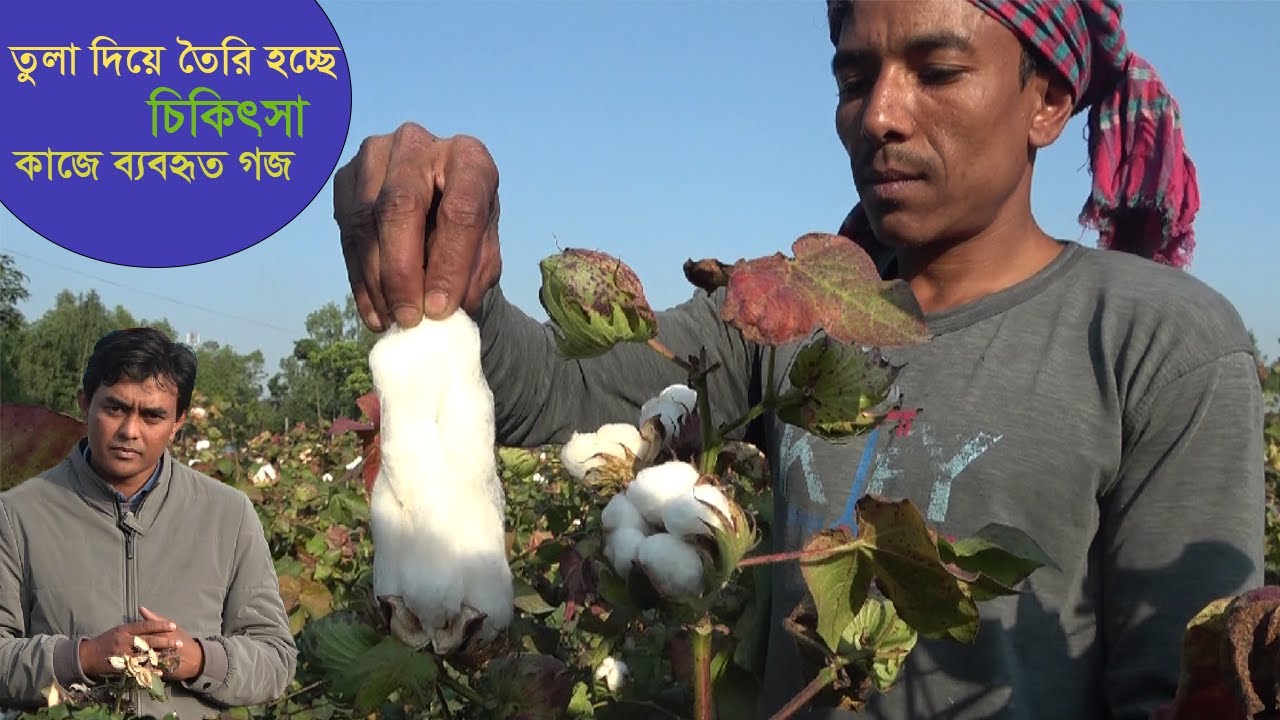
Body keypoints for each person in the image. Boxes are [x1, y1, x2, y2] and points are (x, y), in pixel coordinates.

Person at [332, 0, 1265, 717]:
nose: (882, 117)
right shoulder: (784, 315)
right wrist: (456, 291)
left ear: (1049, 99)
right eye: (855, 78)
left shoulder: (1156, 342)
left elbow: (1183, 687)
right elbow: (554, 398)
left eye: (938, 69)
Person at [0, 328, 297, 718]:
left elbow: (276, 658)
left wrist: (201, 659)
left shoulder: (229, 515)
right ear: (85, 404)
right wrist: (83, 657)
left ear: (178, 423)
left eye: (153, 415)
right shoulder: (17, 514)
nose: (130, 431)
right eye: (115, 408)